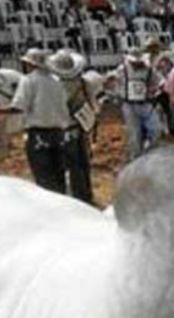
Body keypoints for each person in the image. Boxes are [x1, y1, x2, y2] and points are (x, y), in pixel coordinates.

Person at [2, 48, 71, 194]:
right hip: (59, 134)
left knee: (44, 176)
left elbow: (19, 106)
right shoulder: (57, 81)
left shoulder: (28, 80)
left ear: (31, 64)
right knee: (59, 175)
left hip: (38, 134)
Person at [49, 49, 98, 204]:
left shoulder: (54, 87)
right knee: (82, 162)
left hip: (63, 128)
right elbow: (94, 106)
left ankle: (75, 198)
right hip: (80, 126)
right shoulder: (83, 82)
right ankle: (86, 194)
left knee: (68, 164)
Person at [110, 47, 166, 162]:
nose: (136, 63)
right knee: (135, 136)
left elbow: (161, 82)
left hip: (146, 104)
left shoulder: (149, 69)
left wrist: (156, 91)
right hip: (129, 105)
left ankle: (149, 154)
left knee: (156, 130)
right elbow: (111, 80)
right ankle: (136, 160)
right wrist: (116, 93)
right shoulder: (122, 70)